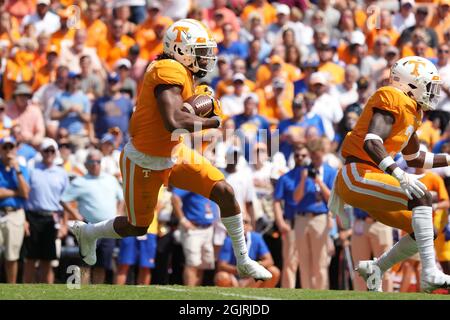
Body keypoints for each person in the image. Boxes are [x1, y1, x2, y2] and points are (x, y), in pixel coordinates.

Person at [69, 19, 272, 281]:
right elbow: (174, 121)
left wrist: (201, 101)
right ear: (180, 49)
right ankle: (89, 233)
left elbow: (182, 116)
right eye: (200, 51)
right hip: (143, 160)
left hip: (174, 154)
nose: (205, 57)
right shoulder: (167, 69)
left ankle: (243, 260)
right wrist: (213, 120)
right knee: (136, 225)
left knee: (224, 190)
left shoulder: (183, 73)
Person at [328, 56, 450, 292]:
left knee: (425, 230)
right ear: (411, 83)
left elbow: (416, 159)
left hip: (372, 176)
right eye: (429, 85)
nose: (432, 92)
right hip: (358, 174)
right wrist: (398, 173)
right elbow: (372, 142)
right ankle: (430, 273)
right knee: (422, 196)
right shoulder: (392, 96)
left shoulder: (413, 111)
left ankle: (377, 267)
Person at [62, 149, 124, 284]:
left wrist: (119, 212)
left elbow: (121, 198)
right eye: (92, 161)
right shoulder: (80, 181)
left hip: (108, 227)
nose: (95, 164)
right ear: (86, 164)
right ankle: (83, 293)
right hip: (89, 226)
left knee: (102, 263)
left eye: (98, 161)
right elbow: (64, 199)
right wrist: (75, 214)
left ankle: (96, 294)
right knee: (85, 262)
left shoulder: (110, 179)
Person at [23, 138, 69, 284]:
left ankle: (46, 294)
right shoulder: (32, 171)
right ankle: (25, 294)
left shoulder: (62, 173)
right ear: (41, 152)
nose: (49, 153)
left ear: (55, 153)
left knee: (48, 260)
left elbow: (66, 201)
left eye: (51, 150)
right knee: (30, 258)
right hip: (33, 217)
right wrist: (24, 220)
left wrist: (64, 224)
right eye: (46, 150)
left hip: (52, 218)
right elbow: (25, 196)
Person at [292, 138, 336, 290]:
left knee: (320, 261)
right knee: (304, 261)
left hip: (320, 218)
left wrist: (319, 181)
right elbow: (296, 198)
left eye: (318, 157)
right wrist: (304, 180)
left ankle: (321, 293)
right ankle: (306, 293)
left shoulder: (330, 171)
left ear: (323, 154)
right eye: (313, 157)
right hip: (302, 217)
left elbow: (331, 198)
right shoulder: (302, 171)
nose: (315, 160)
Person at [215, 215, 280, 288]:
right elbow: (221, 266)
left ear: (250, 226)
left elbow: (269, 260)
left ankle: (261, 295)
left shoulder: (256, 238)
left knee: (274, 271)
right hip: (234, 276)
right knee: (221, 276)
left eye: (245, 222)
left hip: (252, 276)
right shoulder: (229, 240)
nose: (242, 225)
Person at [172, 187, 219, 286]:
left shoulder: (211, 180)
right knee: (192, 263)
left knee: (202, 264)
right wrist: (183, 220)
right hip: (193, 228)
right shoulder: (192, 180)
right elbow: (174, 197)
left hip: (208, 227)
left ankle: (196, 292)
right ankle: (190, 293)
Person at [0, 136, 30, 283]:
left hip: (15, 214)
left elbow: (25, 192)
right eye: (4, 147)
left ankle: (11, 289)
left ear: (15, 149)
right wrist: (15, 192)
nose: (8, 151)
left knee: (12, 256)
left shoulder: (21, 169)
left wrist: (17, 170)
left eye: (10, 147)